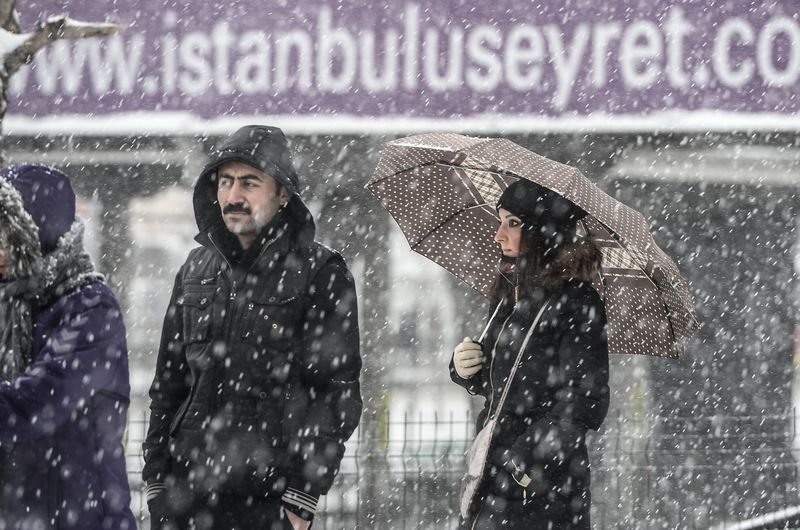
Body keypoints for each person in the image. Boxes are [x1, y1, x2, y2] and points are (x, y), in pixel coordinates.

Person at [142, 125, 362, 530]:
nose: (233, 196)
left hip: (267, 499)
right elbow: (168, 384)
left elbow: (336, 394)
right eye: (225, 182)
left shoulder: (320, 272)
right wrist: (156, 480)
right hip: (184, 494)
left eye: (249, 182)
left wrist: (301, 495)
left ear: (282, 195)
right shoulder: (195, 269)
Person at [451, 179, 610, 529]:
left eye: (513, 223)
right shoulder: (510, 294)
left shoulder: (577, 303)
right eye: (500, 221)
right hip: (493, 477)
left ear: (542, 230)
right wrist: (465, 367)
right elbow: (500, 380)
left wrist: (521, 467)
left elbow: (582, 402)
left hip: (544, 491)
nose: (498, 234)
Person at [0, 164, 136, 529]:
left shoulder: (92, 308)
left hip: (83, 514)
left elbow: (35, 403)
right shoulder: (10, 304)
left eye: (3, 235)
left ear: (36, 235)